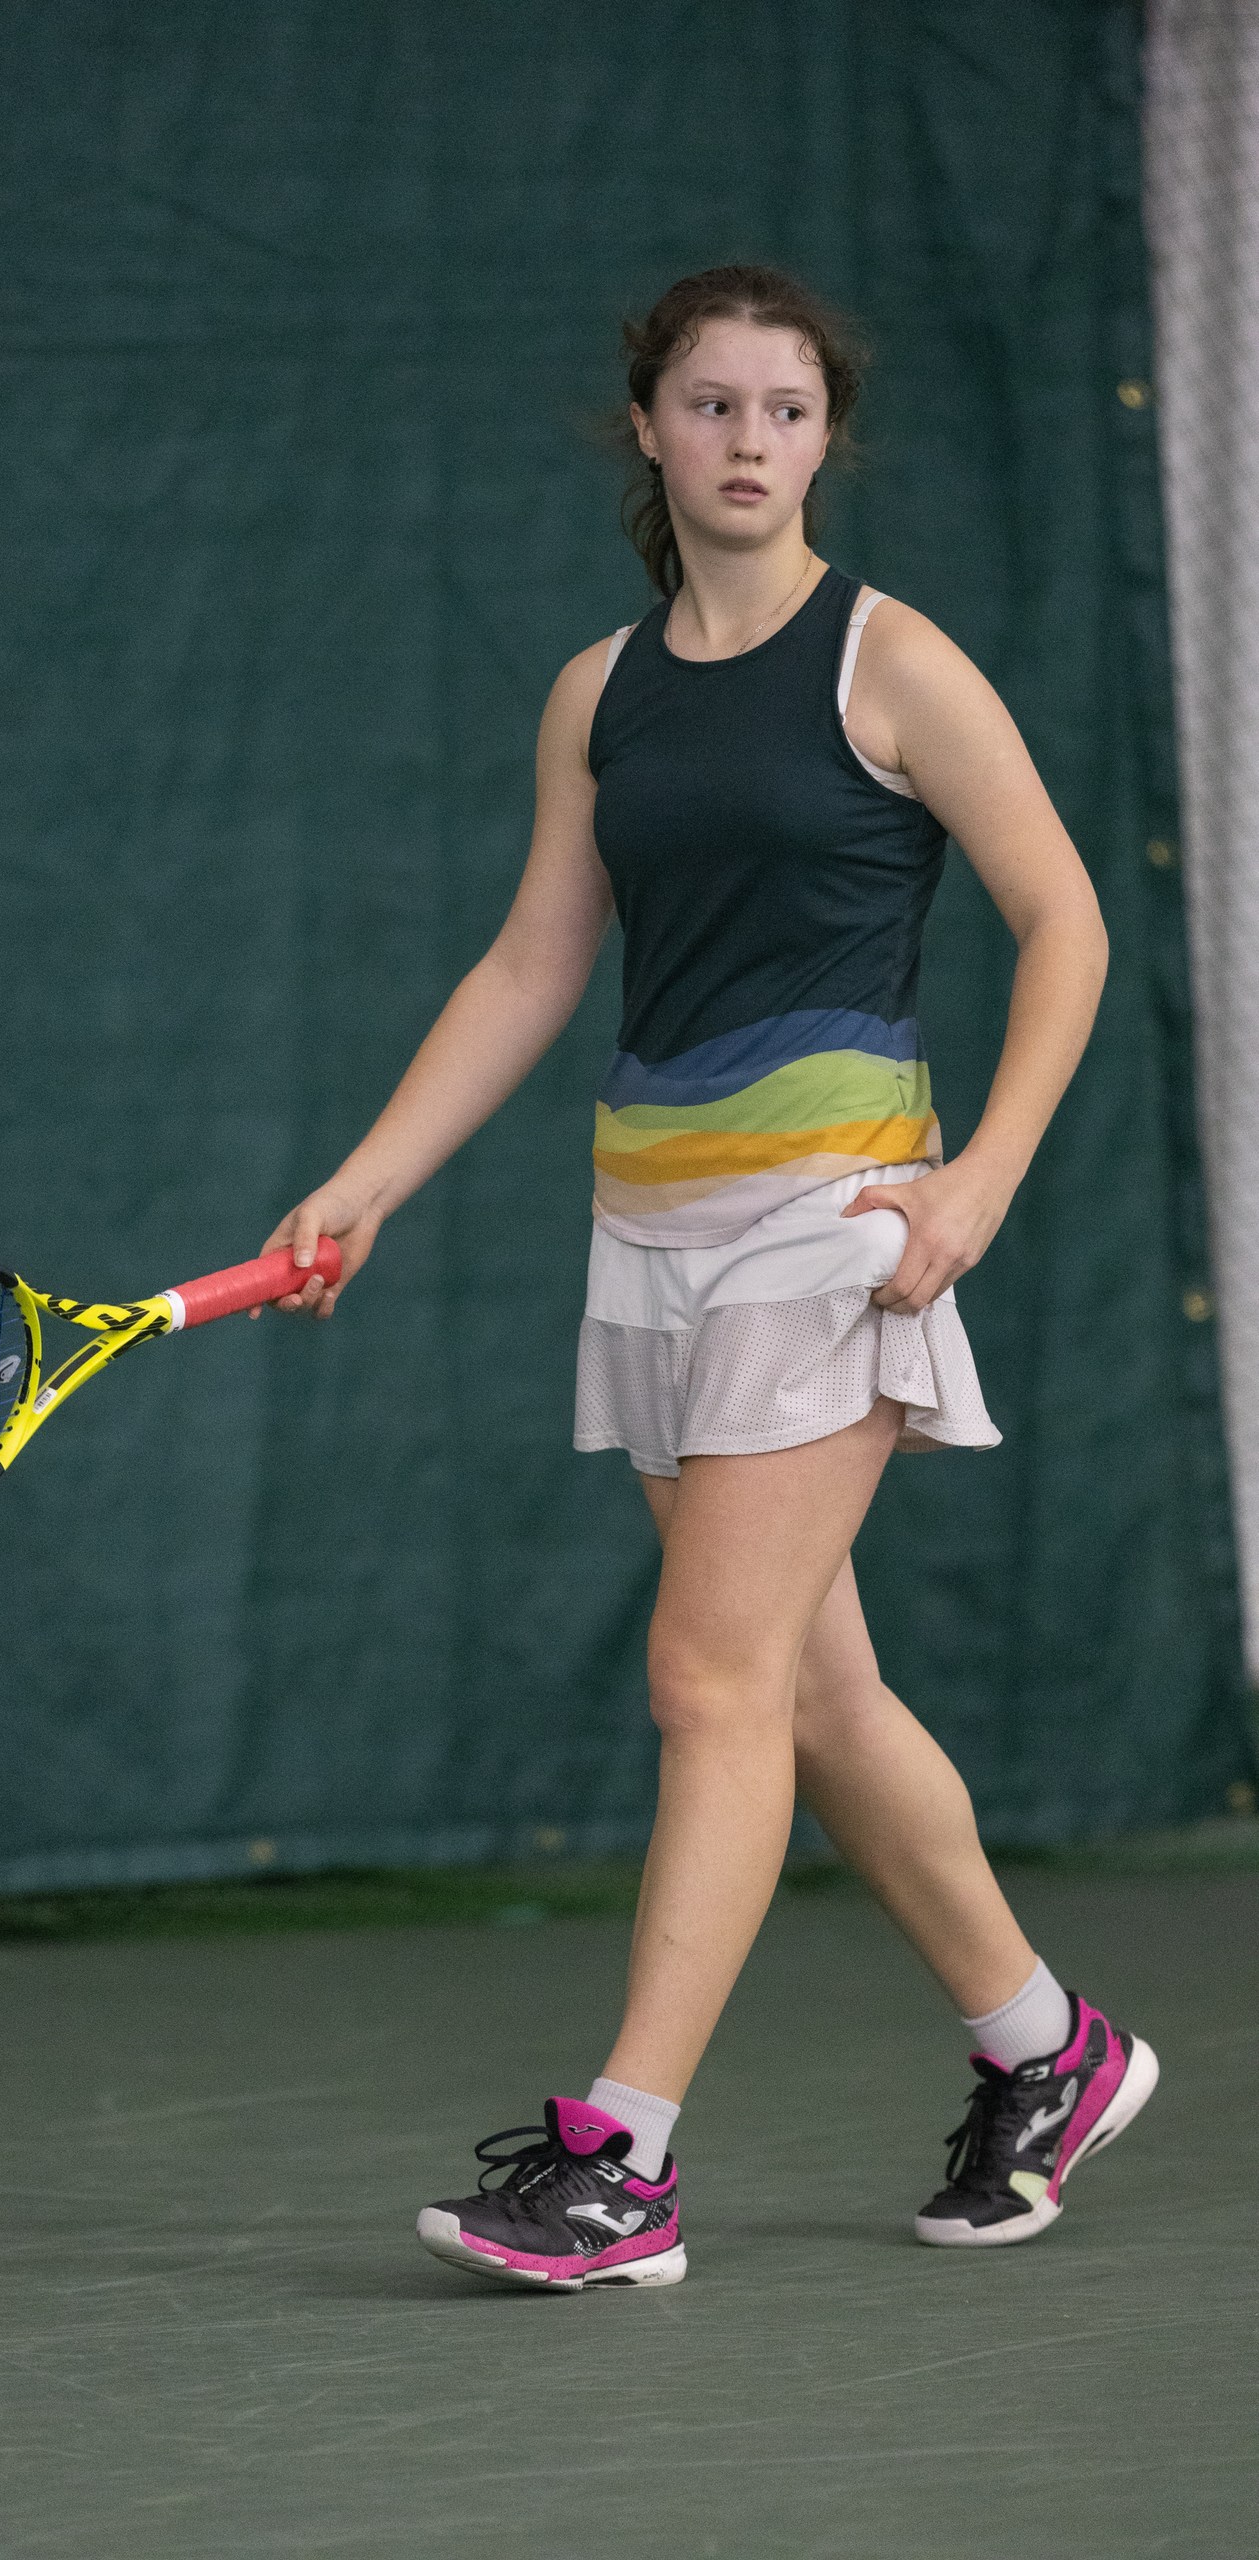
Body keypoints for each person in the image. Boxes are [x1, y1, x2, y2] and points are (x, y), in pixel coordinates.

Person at [257, 263, 1157, 2288]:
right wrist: (370, 1176)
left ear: (825, 439)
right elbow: (531, 961)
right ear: (648, 426)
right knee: (812, 1690)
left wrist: (980, 1181)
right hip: (646, 1230)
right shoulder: (600, 692)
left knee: (708, 1681)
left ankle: (620, 2162)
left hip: (828, 1226)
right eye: (712, 404)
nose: (750, 440)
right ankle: (1049, 2047)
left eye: (786, 409)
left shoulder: (891, 661)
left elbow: (1066, 920)